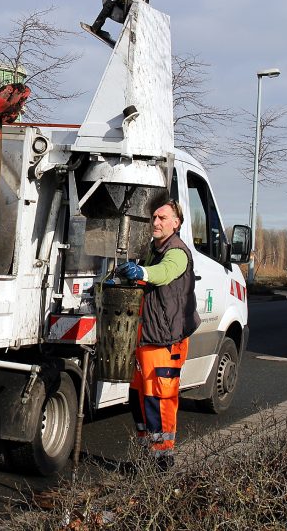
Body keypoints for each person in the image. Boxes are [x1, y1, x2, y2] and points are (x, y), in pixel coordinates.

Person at [116, 199, 200, 467]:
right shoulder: (154, 249)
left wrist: (141, 271)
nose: (156, 222)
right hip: (148, 338)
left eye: (162, 218)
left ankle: (162, 460)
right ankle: (147, 454)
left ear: (176, 223)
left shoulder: (176, 252)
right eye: (154, 217)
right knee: (140, 398)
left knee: (159, 398)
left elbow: (163, 274)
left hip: (166, 341)